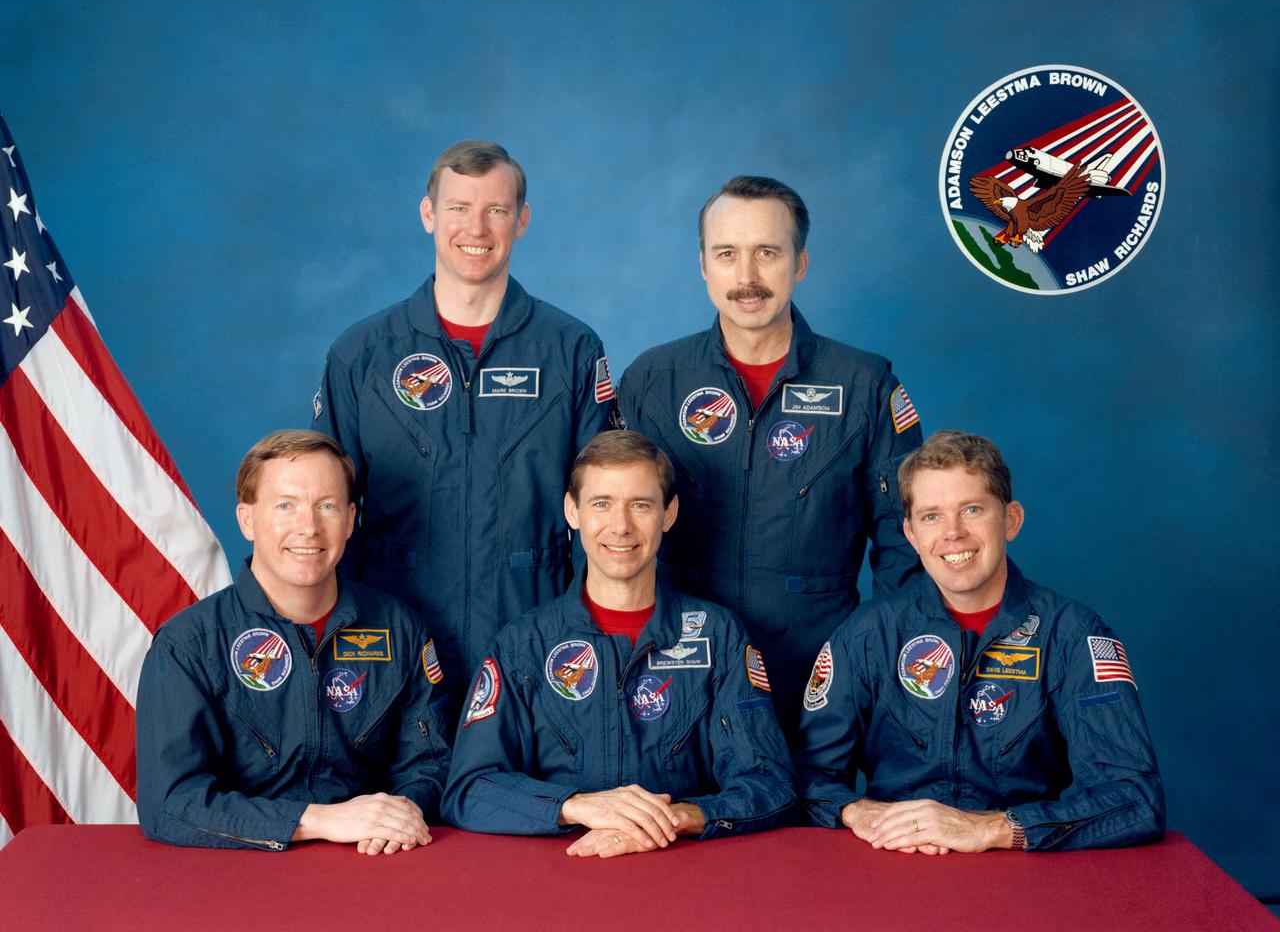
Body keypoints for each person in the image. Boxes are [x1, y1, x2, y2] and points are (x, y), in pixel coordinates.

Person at [616, 175, 922, 733]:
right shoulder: (652, 381)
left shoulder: (863, 385)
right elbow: (604, 530)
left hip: (817, 670)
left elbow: (907, 547)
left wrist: (877, 668)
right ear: (703, 265)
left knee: (815, 815)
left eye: (768, 253)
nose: (747, 278)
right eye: (727, 254)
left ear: (799, 263)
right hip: (676, 670)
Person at [312, 140, 614, 703]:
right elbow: (328, 511)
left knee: (528, 792)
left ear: (521, 220)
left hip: (535, 641)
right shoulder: (364, 356)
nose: (476, 227)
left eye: (496, 210)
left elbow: (605, 509)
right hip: (390, 646)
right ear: (428, 214)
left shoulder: (570, 350)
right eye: (458, 208)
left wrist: (585, 640)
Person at [794, 430, 1164, 852]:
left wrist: (989, 829)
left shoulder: (1073, 636)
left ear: (1011, 520)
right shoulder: (867, 635)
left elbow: (1135, 800)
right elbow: (804, 777)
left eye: (971, 509)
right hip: (893, 862)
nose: (953, 533)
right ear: (911, 534)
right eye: (931, 516)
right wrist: (858, 811)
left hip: (1020, 871)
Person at [442, 431, 796, 857]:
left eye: (641, 505)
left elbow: (771, 784)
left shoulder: (718, 637)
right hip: (559, 874)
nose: (621, 526)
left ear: (669, 513)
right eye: (602, 503)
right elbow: (469, 789)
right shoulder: (525, 644)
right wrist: (577, 806)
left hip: (682, 872)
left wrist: (679, 818)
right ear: (573, 511)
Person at [136, 430, 451, 853]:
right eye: (286, 506)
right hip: (240, 870)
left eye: (327, 506)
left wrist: (398, 815)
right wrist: (318, 820)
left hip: (372, 858)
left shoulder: (399, 629)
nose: (309, 527)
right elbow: (170, 804)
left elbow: (429, 763)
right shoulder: (189, 645)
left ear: (351, 519)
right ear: (247, 521)